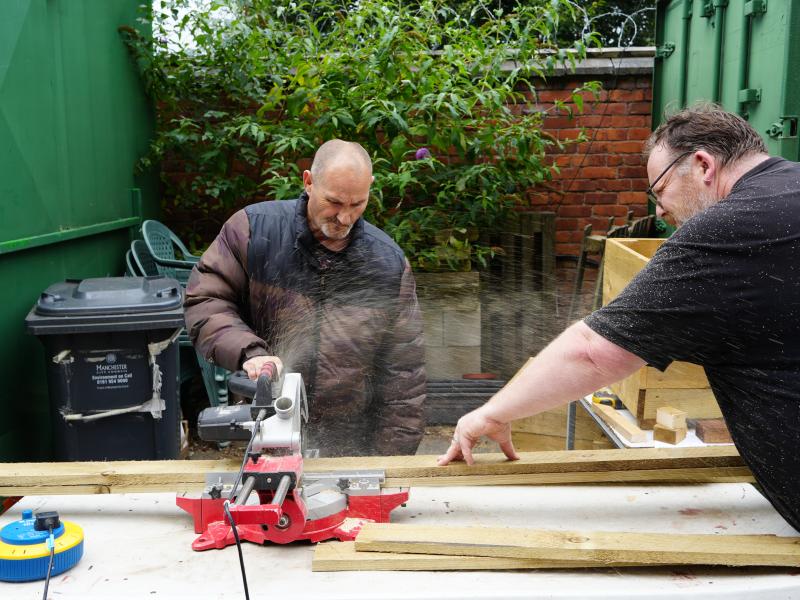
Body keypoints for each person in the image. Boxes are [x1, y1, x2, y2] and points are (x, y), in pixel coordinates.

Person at [438, 104, 800, 533]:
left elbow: (593, 353)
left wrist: (491, 414)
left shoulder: (729, 229)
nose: (660, 211)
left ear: (703, 164)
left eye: (659, 189)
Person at [184, 139, 426, 457]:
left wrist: (388, 464)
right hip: (267, 435)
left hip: (350, 447)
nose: (345, 218)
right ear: (308, 181)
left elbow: (404, 373)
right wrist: (251, 352)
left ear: (371, 187)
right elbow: (205, 299)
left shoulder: (388, 264)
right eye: (335, 202)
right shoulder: (254, 232)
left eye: (358, 204)